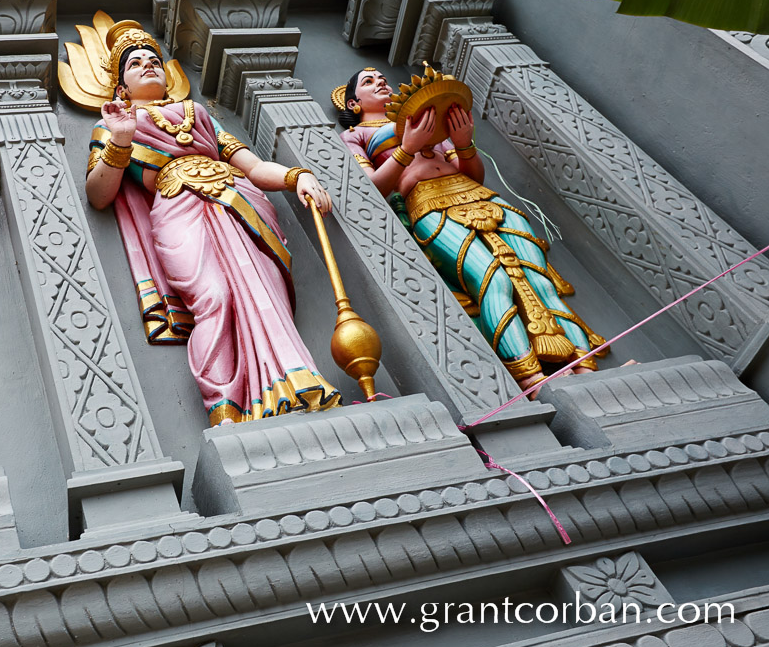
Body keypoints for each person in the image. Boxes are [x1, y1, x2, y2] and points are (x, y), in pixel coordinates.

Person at [80, 21, 342, 426]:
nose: (149, 65)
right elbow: (98, 194)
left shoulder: (197, 113)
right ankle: (227, 411)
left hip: (238, 201)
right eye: (136, 64)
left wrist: (297, 176)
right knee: (213, 297)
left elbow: (253, 167)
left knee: (264, 291)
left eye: (155, 60)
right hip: (177, 208)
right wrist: (120, 139)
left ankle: (296, 384)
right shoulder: (116, 124)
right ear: (122, 87)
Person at [334, 67, 606, 393]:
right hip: (428, 205)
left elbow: (474, 174)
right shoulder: (357, 135)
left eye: (382, 78)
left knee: (537, 278)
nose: (380, 82)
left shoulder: (422, 119)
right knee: (492, 278)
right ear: (353, 104)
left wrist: (463, 144)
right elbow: (372, 189)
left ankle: (587, 368)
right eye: (368, 82)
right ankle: (530, 377)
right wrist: (407, 148)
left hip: (479, 195)